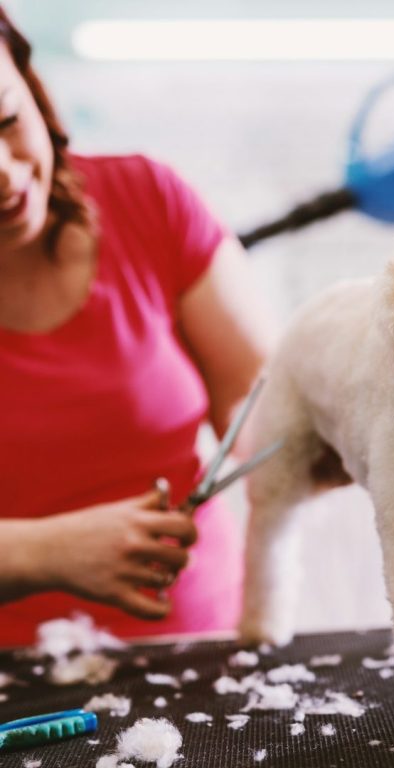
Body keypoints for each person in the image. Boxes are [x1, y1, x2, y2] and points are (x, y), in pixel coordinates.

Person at [0, 7, 270, 646]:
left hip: (202, 645)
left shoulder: (149, 197)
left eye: (7, 121)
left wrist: (319, 439)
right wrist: (45, 552)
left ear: (34, 94)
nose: (4, 174)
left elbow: (251, 398)